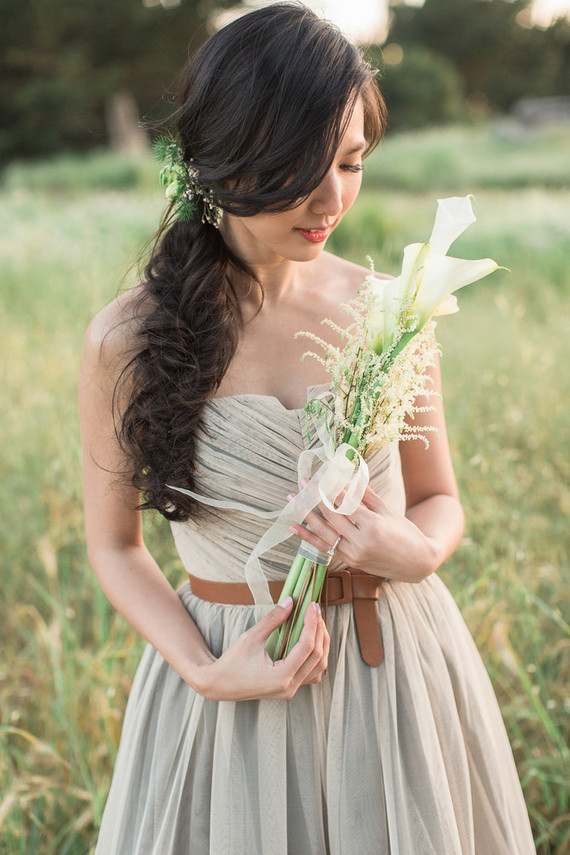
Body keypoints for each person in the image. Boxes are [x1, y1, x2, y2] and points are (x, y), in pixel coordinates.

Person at [79, 4, 536, 853]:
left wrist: (417, 549)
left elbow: (438, 498)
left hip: (393, 664)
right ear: (225, 158)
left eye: (353, 162)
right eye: (300, 167)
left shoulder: (393, 309)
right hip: (233, 682)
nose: (332, 199)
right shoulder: (127, 337)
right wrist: (209, 671)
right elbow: (114, 547)